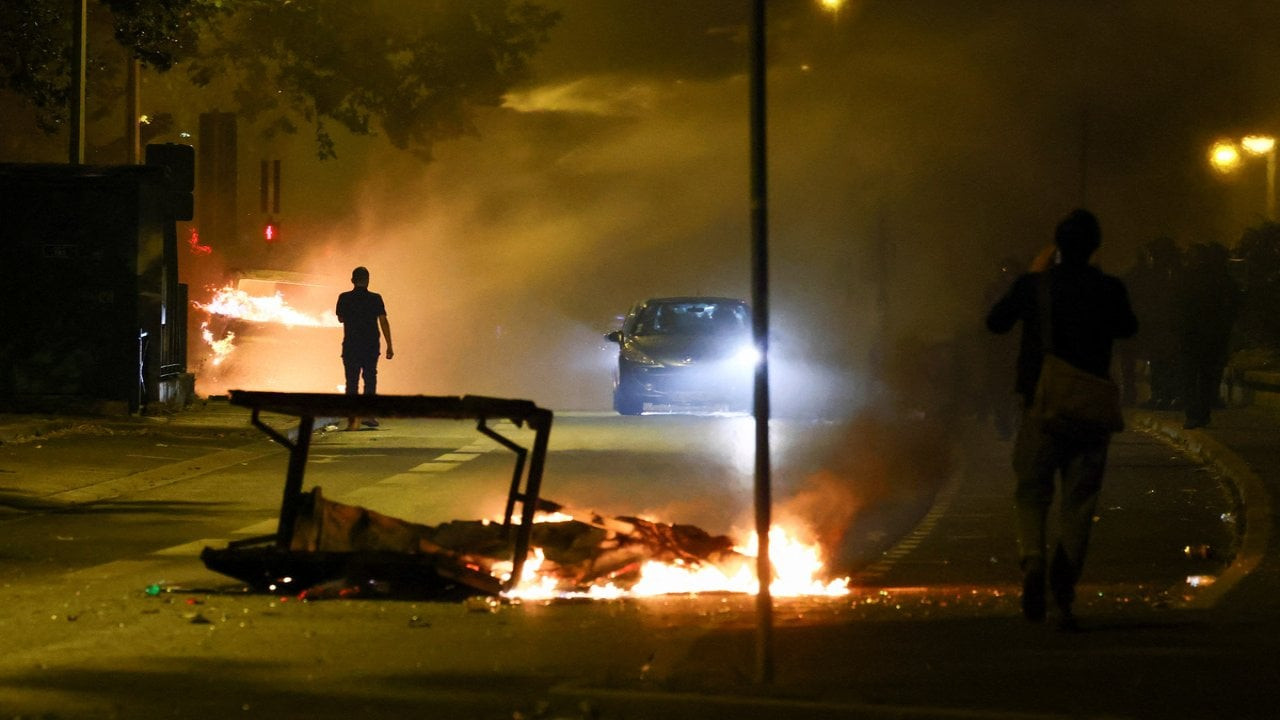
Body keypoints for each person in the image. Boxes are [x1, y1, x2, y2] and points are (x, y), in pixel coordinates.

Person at [985, 209, 1138, 630]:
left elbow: (995, 323)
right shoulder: (1108, 288)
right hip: (1089, 405)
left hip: (1041, 402)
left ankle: (1032, 558)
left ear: (1055, 246)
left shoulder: (1034, 286)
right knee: (1080, 499)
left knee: (1031, 492)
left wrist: (1034, 279)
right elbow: (1128, 328)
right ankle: (1064, 580)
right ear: (1094, 247)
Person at [1176, 242, 1239, 429]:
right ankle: (1200, 413)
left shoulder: (1191, 278)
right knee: (1203, 377)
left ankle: (1195, 413)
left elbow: (1177, 306)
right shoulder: (1222, 279)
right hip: (1206, 336)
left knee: (1194, 376)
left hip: (1196, 336)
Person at [336, 266, 393, 431]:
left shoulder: (344, 298)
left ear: (352, 280)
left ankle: (352, 418)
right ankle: (369, 414)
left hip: (351, 345)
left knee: (351, 382)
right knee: (370, 378)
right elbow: (383, 321)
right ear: (368, 280)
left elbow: (340, 318)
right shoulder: (376, 299)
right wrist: (389, 344)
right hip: (370, 345)